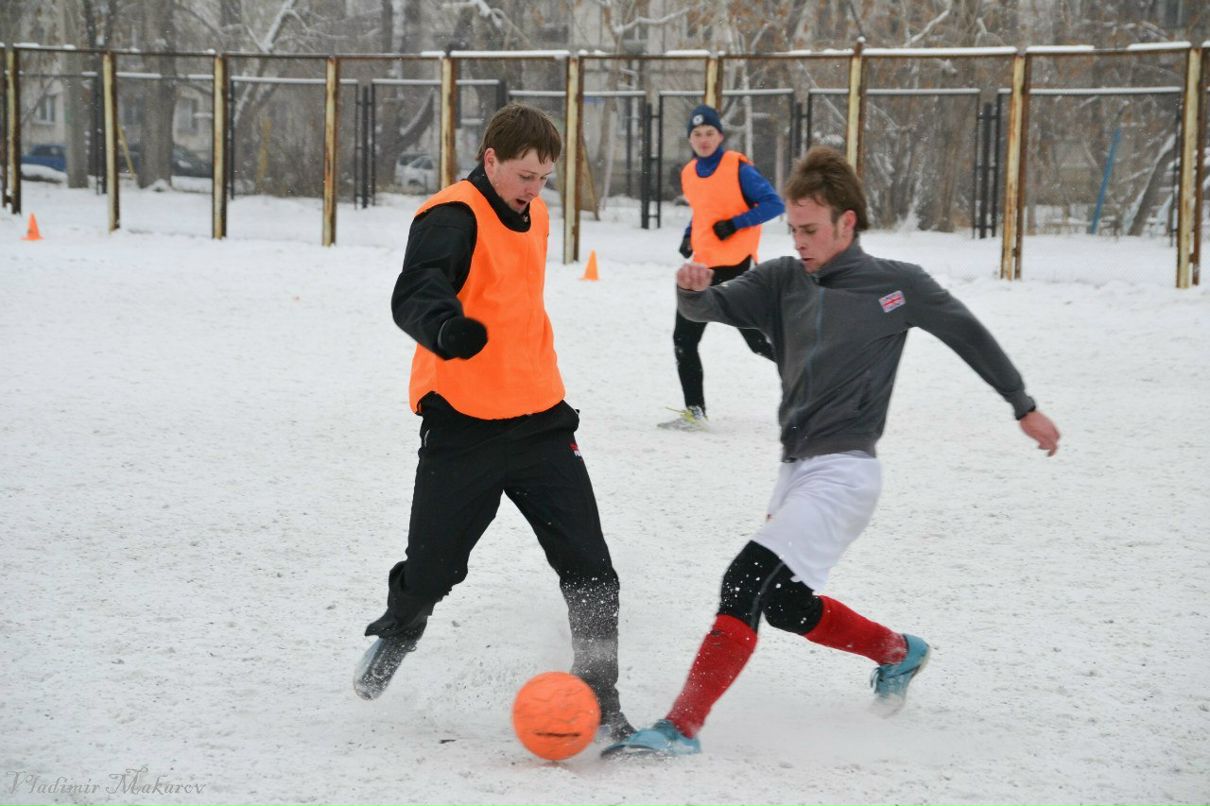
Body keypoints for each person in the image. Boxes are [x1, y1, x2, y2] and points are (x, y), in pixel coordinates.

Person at [606, 145, 1061, 757]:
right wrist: (691, 289)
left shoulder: (898, 286)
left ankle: (680, 727)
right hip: (796, 471)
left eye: (811, 230)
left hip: (846, 473)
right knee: (788, 604)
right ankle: (899, 652)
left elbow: (967, 333)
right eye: (793, 229)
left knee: (743, 579)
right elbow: (712, 306)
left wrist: (1022, 404)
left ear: (848, 222)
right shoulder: (781, 279)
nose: (799, 241)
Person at [355, 103, 633, 742]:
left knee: (592, 569)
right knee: (433, 569)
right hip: (463, 426)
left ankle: (601, 695)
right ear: (490, 161)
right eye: (524, 175)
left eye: (543, 178)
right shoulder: (451, 215)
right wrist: (446, 328)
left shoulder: (533, 213)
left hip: (540, 420)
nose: (534, 189)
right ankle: (399, 630)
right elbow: (417, 289)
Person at [659, 104, 785, 431]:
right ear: (690, 138)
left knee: (758, 343)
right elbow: (703, 211)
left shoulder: (737, 167)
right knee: (683, 340)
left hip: (736, 270)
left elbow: (774, 203)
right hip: (701, 270)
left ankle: (817, 379)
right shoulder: (688, 172)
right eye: (697, 134)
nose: (703, 139)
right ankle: (695, 412)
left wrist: (735, 224)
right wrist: (690, 236)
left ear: (720, 135)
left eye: (709, 133)